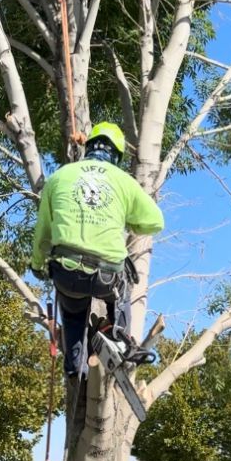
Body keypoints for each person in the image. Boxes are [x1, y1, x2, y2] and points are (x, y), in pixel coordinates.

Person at [31, 122, 164, 375]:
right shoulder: (124, 181)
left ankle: (75, 365)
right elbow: (156, 222)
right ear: (116, 154)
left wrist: (37, 265)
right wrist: (129, 220)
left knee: (72, 315)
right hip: (107, 278)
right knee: (122, 293)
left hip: (67, 275)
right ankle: (118, 337)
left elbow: (43, 234)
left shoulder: (58, 177)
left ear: (89, 146)